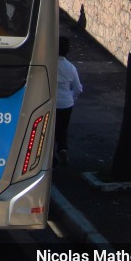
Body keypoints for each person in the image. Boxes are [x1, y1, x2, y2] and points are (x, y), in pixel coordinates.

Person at [55, 36, 83, 166]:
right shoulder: (70, 67)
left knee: (49, 130)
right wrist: (71, 97)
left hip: (50, 102)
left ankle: (50, 156)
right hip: (66, 103)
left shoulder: (48, 64)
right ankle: (62, 149)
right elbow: (78, 88)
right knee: (63, 129)